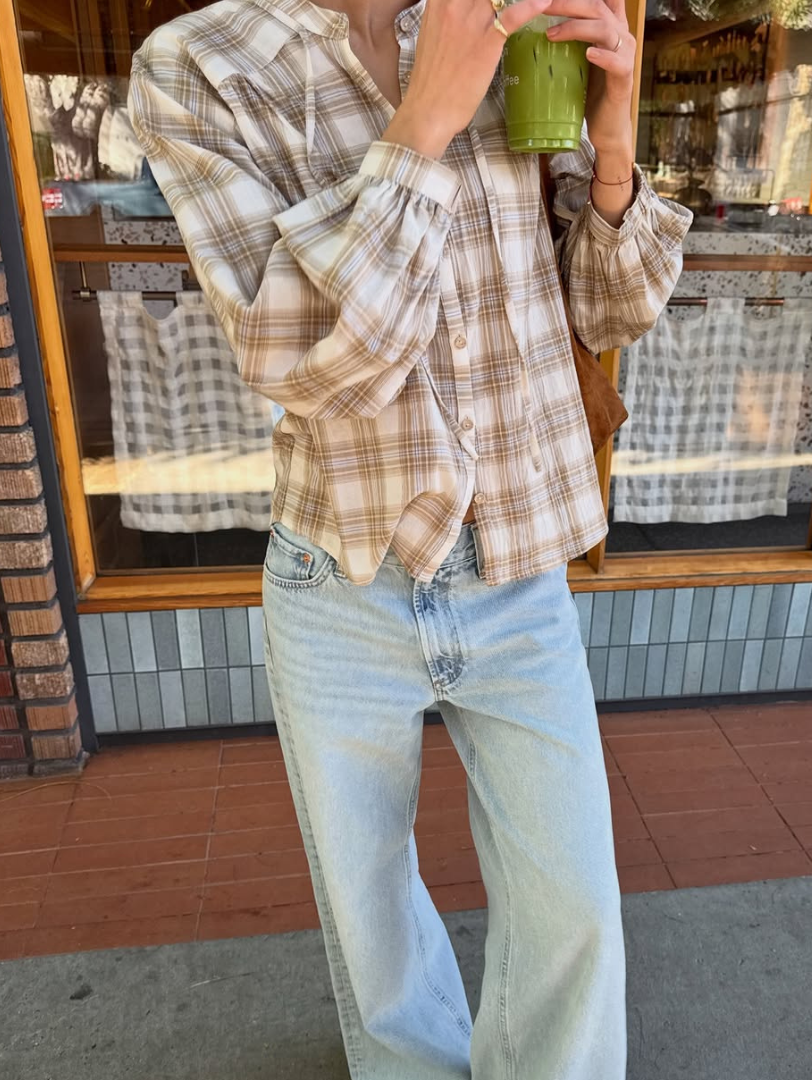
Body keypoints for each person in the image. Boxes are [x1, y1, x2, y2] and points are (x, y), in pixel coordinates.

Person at [128, 0, 691, 1073]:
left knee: (573, 911)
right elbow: (294, 356)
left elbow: (611, 311)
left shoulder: (511, 19)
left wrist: (613, 146)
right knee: (372, 922)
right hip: (341, 574)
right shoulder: (202, 63)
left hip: (519, 565)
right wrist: (425, 119)